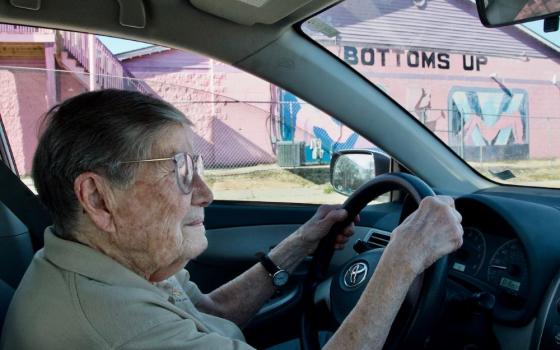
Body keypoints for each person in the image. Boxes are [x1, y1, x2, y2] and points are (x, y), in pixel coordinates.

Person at [0, 89, 463, 350]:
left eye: (198, 169)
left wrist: (301, 241)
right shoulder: (119, 329)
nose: (205, 192)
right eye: (180, 170)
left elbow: (211, 315)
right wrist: (401, 260)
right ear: (98, 198)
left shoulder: (112, 266)